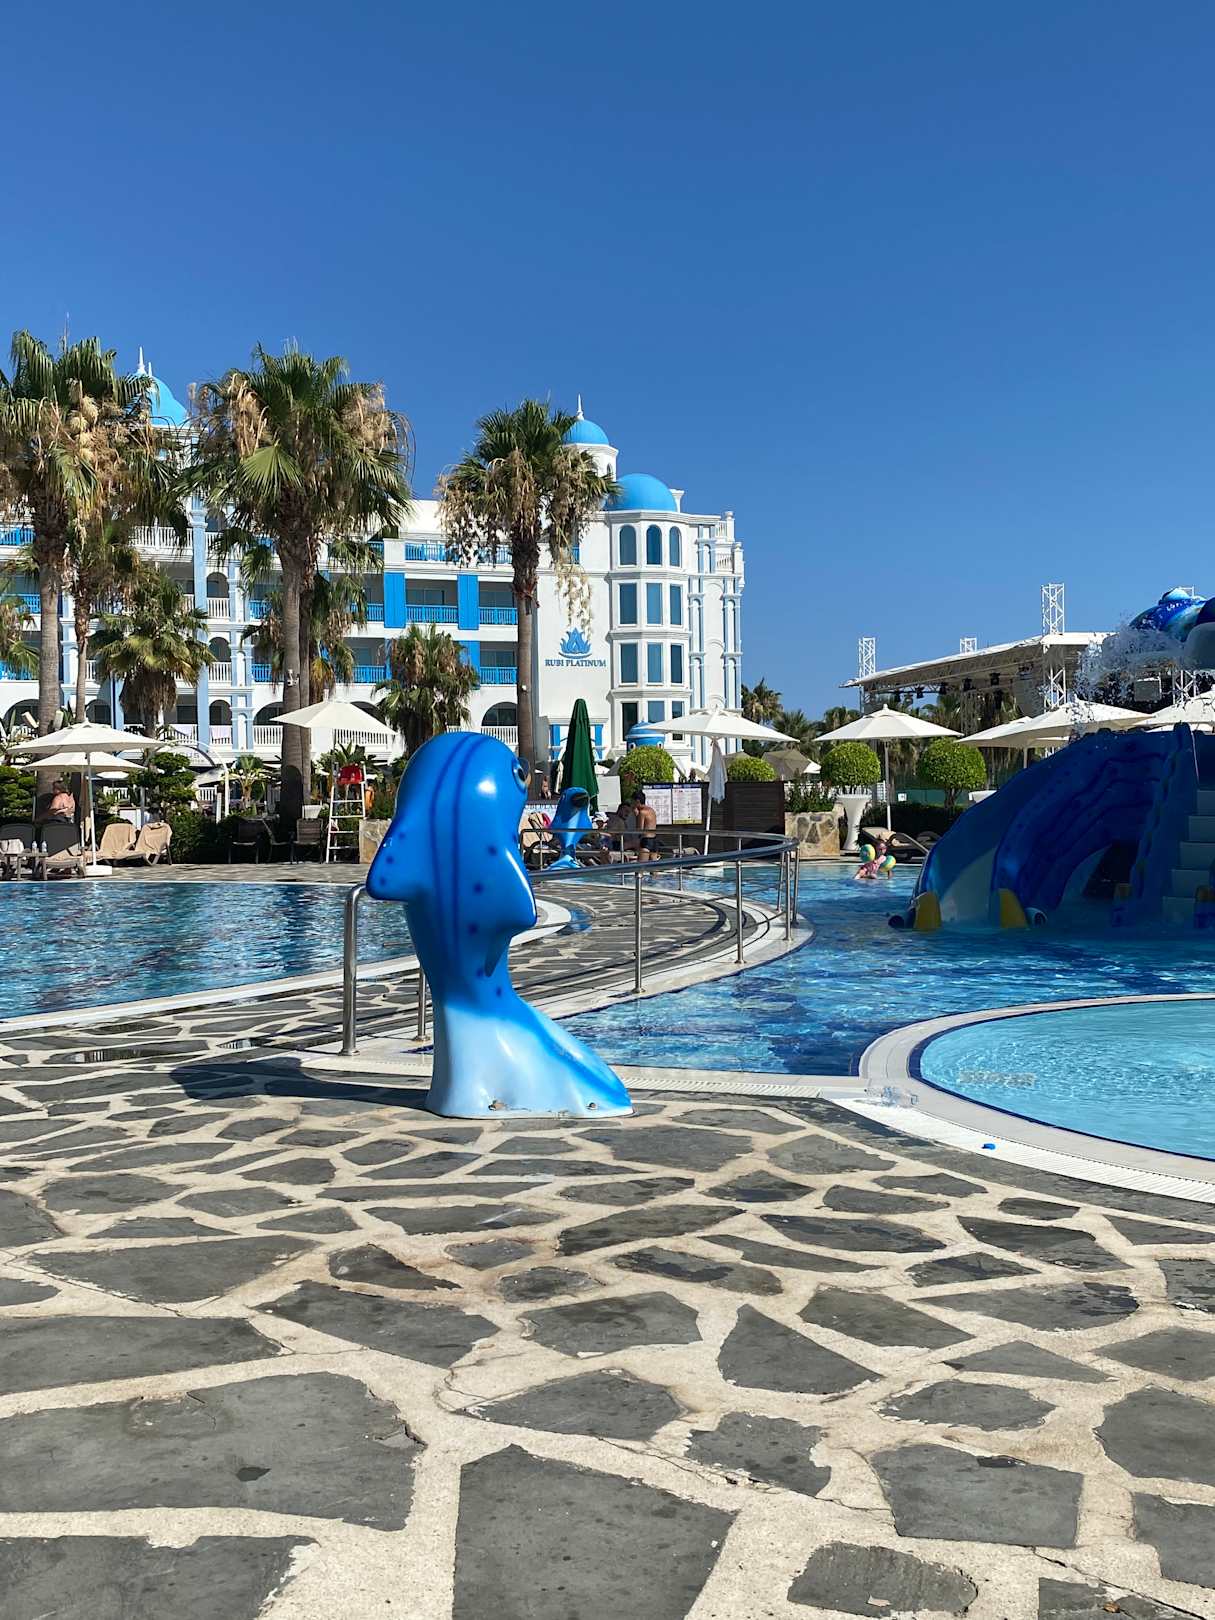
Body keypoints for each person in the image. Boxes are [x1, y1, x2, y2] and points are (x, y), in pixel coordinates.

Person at [634, 790, 658, 861]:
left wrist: (636, 815)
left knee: (641, 865)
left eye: (633, 802)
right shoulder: (651, 810)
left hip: (646, 840)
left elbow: (639, 829)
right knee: (654, 866)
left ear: (637, 801)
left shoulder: (642, 812)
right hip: (654, 839)